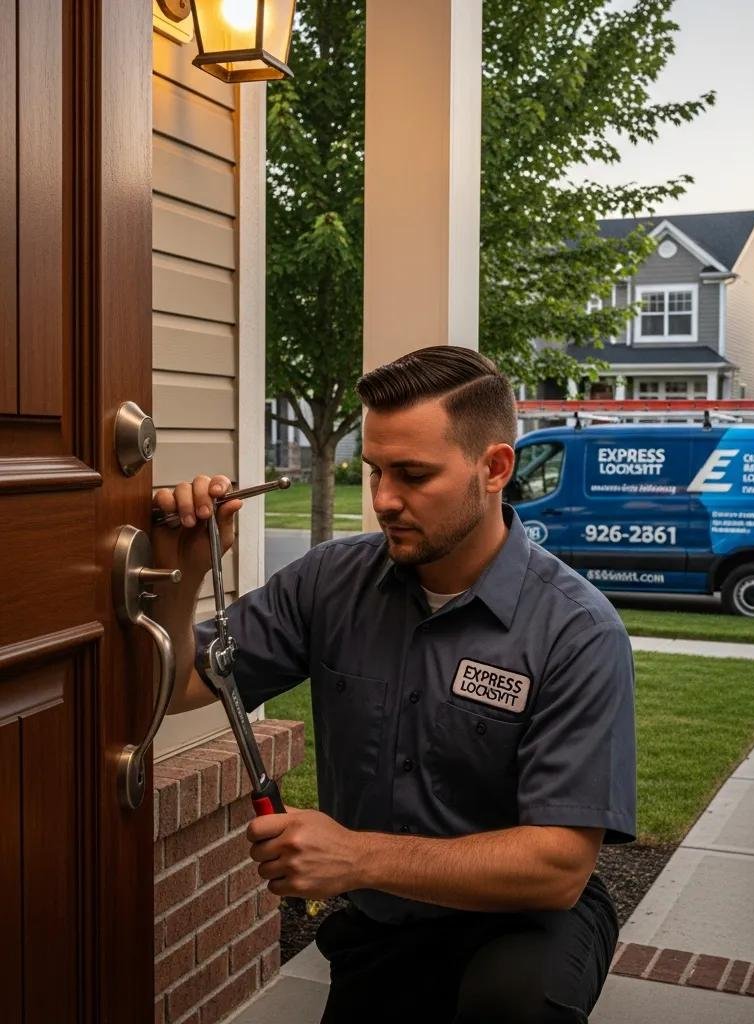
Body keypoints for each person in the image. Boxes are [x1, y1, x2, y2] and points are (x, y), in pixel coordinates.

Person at [152, 346, 636, 1024]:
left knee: (512, 1006)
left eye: (412, 475)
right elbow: (174, 689)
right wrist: (180, 576)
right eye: (376, 470)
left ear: (494, 468)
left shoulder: (575, 631)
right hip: (384, 927)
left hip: (524, 924)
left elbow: (558, 867)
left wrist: (354, 856)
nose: (382, 499)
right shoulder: (329, 584)